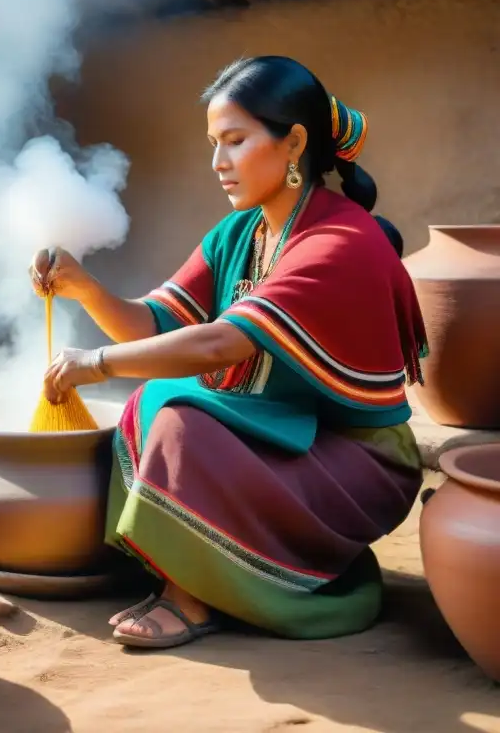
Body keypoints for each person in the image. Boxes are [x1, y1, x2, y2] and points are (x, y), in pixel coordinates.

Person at [29, 56, 427, 649]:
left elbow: (220, 341)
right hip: (283, 437)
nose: (218, 163)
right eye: (214, 144)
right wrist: (83, 285)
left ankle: (193, 597)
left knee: (183, 425)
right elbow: (150, 324)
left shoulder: (342, 242)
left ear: (294, 143)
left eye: (235, 142)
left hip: (352, 460)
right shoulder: (240, 233)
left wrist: (93, 365)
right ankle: (192, 568)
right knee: (152, 401)